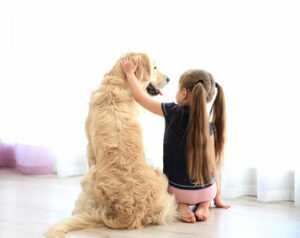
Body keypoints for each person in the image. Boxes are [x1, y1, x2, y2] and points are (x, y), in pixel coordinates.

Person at [120, 56, 230, 223]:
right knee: (206, 189)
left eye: (178, 88)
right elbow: (212, 164)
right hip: (208, 190)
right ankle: (204, 204)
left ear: (184, 93)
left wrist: (129, 73)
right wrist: (217, 196)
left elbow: (140, 98)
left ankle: (182, 205)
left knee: (167, 185)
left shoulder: (172, 112)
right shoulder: (209, 127)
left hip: (179, 191)